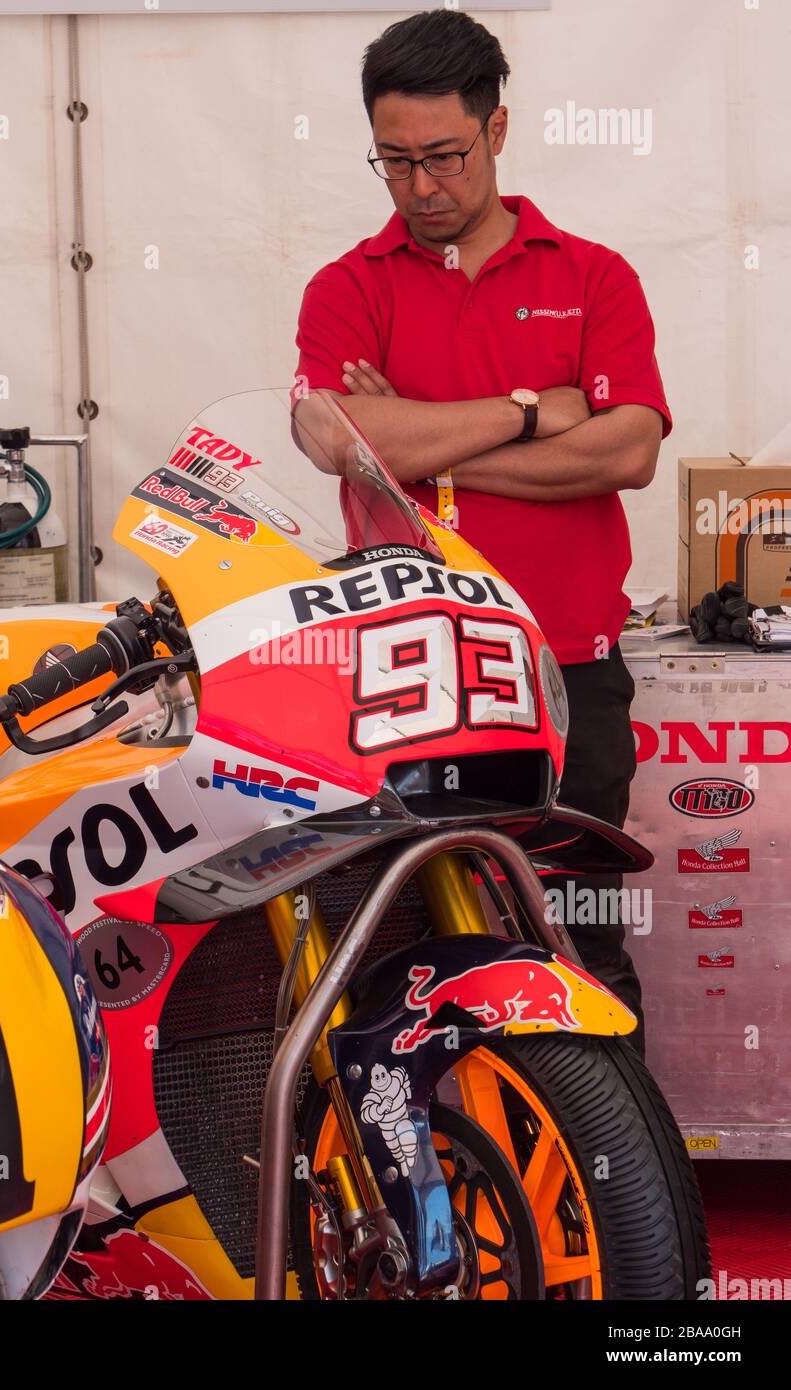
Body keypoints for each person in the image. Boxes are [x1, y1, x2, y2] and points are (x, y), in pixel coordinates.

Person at [293, 8, 672, 1059]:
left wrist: (421, 445)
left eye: (444, 158)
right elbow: (337, 432)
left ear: (497, 131)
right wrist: (526, 408)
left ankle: (613, 1196)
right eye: (396, 162)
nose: (421, 188)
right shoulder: (348, 286)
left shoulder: (592, 276)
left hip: (568, 672)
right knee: (405, 958)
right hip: (409, 679)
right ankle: (437, 1195)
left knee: (582, 942)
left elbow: (626, 450)